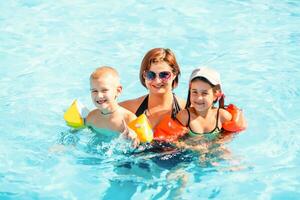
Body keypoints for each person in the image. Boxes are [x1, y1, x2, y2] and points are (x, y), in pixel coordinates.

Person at [175, 67, 247, 150]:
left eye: (204, 93)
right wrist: (191, 146)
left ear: (216, 94)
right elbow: (175, 141)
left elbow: (229, 135)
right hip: (191, 155)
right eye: (194, 92)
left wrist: (218, 143)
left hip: (216, 152)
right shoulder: (184, 117)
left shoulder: (221, 116)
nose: (199, 98)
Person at [120, 48, 186, 129]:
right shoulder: (129, 110)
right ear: (144, 75)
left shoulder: (186, 110)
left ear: (174, 74)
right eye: (150, 75)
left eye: (164, 75)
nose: (157, 81)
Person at [86, 66, 137, 143]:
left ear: (118, 91)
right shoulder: (91, 117)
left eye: (104, 90)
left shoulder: (129, 119)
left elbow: (139, 144)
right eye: (94, 91)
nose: (99, 95)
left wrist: (134, 139)